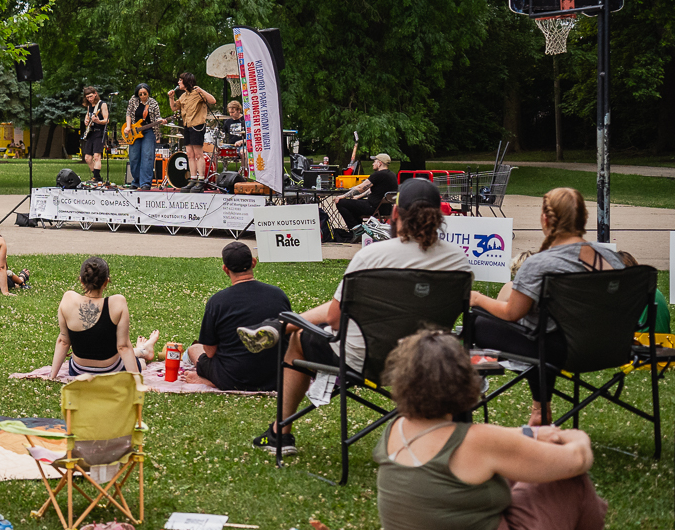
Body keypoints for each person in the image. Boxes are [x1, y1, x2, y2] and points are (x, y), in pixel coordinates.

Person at [371, 328, 648, 530]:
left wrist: (530, 434)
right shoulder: (477, 442)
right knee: (567, 480)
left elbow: (487, 444)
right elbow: (577, 461)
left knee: (510, 472)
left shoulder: (396, 429)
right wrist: (578, 437)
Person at [242, 177, 471, 455]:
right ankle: (280, 323)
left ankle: (281, 432)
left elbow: (336, 320)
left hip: (365, 360)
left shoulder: (371, 256)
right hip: (427, 361)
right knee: (312, 321)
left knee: (300, 339)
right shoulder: (458, 261)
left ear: (395, 214)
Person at [465, 187, 624, 426]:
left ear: (546, 218)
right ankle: (540, 409)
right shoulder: (610, 259)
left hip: (557, 352)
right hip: (608, 346)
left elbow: (511, 312)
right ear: (583, 219)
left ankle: (470, 410)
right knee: (540, 330)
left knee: (477, 322)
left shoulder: (540, 264)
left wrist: (477, 299)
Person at [186, 242, 290, 391]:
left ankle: (212, 381)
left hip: (232, 377)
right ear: (253, 262)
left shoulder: (218, 301)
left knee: (194, 349)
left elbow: (209, 352)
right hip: (274, 377)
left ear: (225, 269)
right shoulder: (278, 295)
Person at [49, 256, 158, 379]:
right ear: (106, 282)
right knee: (140, 364)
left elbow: (63, 341)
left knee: (132, 356)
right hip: (111, 371)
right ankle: (143, 351)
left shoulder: (68, 299)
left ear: (81, 280)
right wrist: (137, 382)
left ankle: (143, 350)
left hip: (79, 372)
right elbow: (123, 347)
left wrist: (52, 375)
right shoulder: (117, 303)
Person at [323, 153, 397, 241]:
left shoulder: (378, 175)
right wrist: (358, 197)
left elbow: (361, 188)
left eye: (374, 161)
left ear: (380, 163)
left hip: (374, 208)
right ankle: (360, 232)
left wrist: (342, 196)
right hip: (385, 208)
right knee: (354, 204)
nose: (373, 163)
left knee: (341, 203)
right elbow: (370, 190)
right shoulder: (391, 175)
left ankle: (356, 230)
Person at [167, 71, 217, 193]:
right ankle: (192, 179)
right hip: (187, 126)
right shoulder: (183, 96)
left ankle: (201, 180)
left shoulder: (197, 93)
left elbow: (213, 101)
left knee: (198, 154)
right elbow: (174, 108)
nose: (178, 82)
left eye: (180, 80)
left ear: (186, 81)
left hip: (197, 126)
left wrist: (201, 91)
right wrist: (171, 97)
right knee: (189, 154)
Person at [124, 83, 161, 189]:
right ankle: (136, 181)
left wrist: (160, 121)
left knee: (147, 156)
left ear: (148, 93)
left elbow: (158, 117)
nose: (143, 96)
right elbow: (128, 113)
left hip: (149, 131)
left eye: (145, 93)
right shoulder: (133, 100)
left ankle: (145, 183)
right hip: (135, 131)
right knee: (134, 157)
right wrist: (128, 127)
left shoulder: (153, 103)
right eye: (140, 94)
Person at [78, 86, 110, 183]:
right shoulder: (89, 106)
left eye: (91, 96)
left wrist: (98, 121)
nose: (90, 99)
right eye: (87, 97)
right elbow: (87, 116)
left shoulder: (102, 105)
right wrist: (86, 120)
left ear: (95, 94)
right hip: (91, 133)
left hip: (99, 132)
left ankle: (96, 178)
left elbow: (106, 120)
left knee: (97, 156)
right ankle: (97, 176)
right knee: (87, 157)